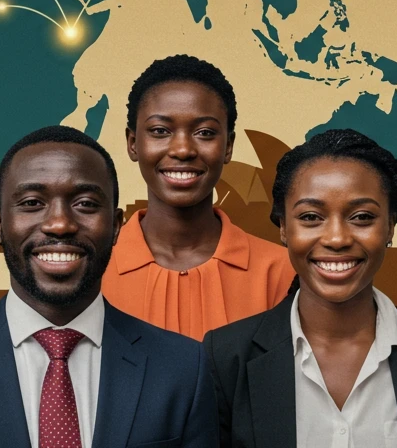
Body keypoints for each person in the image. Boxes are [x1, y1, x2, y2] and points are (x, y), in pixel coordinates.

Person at [0, 125, 218, 448]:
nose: (59, 224)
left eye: (85, 203)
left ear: (116, 226)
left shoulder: (183, 368)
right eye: (32, 203)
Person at [205, 128, 397, 447]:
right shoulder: (227, 357)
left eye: (361, 217)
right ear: (283, 227)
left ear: (390, 226)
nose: (337, 239)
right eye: (311, 217)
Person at [102, 55, 293, 338]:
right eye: (160, 131)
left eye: (204, 133)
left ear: (228, 146)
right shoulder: (94, 269)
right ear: (133, 144)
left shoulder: (282, 271)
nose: (182, 150)